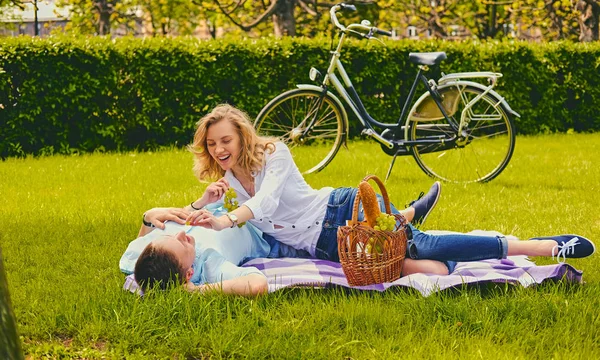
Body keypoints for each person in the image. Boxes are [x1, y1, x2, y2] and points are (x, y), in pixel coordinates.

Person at [180, 104, 595, 274]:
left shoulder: (275, 153)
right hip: (329, 247)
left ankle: (540, 247)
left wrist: (229, 218)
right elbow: (200, 215)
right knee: (419, 266)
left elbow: (268, 202)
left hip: (342, 211)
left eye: (225, 141)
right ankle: (408, 214)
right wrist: (207, 202)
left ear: (242, 136)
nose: (219, 150)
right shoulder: (230, 178)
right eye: (212, 144)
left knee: (421, 249)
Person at [122, 206, 279, 296]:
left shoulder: (140, 261)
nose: (181, 234)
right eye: (183, 244)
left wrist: (148, 218)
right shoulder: (210, 265)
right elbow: (258, 285)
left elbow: (141, 238)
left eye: (170, 236)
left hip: (217, 206)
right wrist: (198, 290)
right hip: (254, 221)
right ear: (189, 274)